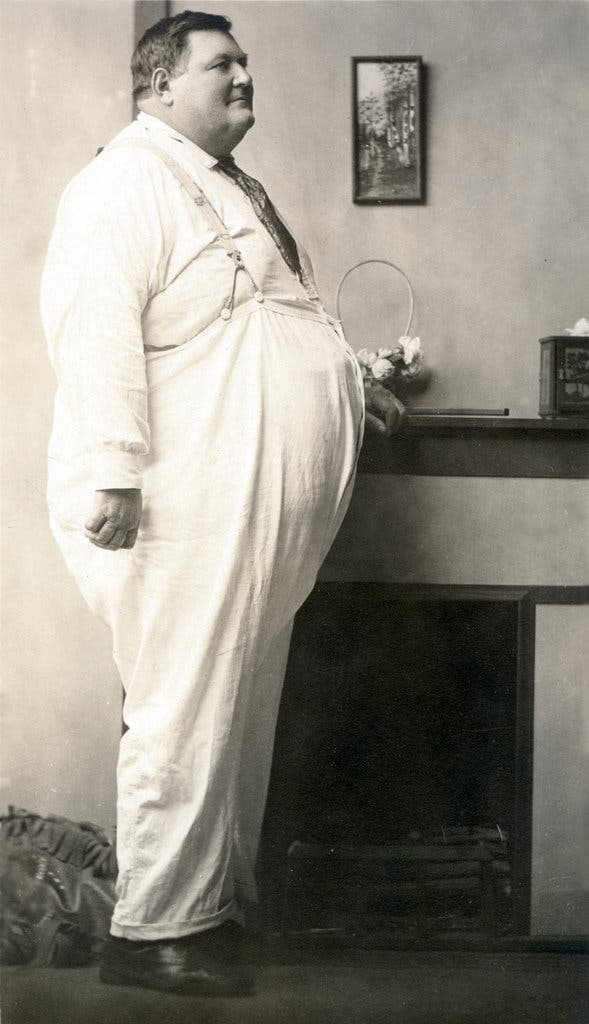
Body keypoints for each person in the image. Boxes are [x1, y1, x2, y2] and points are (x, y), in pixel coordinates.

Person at [41, 9, 404, 997]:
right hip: (181, 500)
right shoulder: (122, 183)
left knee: (235, 708)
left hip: (250, 512)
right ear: (159, 84)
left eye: (246, 63)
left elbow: (264, 313)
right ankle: (149, 933)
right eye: (221, 65)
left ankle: (209, 912)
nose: (245, 77)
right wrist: (113, 470)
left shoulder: (228, 184)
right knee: (182, 703)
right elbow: (95, 333)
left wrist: (346, 382)